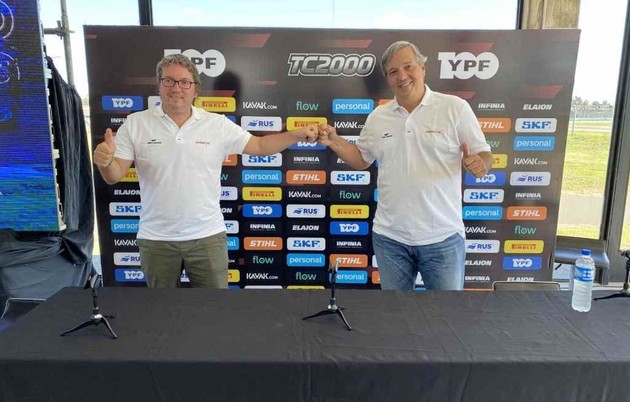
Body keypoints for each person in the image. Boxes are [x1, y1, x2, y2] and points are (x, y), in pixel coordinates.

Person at [93, 54, 318, 289]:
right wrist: (105, 162)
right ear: (158, 85)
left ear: (196, 89)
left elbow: (260, 146)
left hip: (207, 238)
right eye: (168, 81)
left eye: (184, 82)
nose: (176, 88)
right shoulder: (135, 123)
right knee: (162, 309)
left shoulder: (217, 124)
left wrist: (296, 134)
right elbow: (114, 176)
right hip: (156, 239)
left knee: (214, 308)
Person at [318, 41, 492, 291]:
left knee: (446, 313)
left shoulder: (454, 108)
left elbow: (484, 153)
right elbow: (361, 159)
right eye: (393, 72)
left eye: (408, 67)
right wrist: (334, 141)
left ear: (422, 68)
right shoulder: (378, 117)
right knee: (395, 312)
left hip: (443, 238)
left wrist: (481, 163)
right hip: (390, 239)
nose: (402, 76)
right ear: (388, 79)